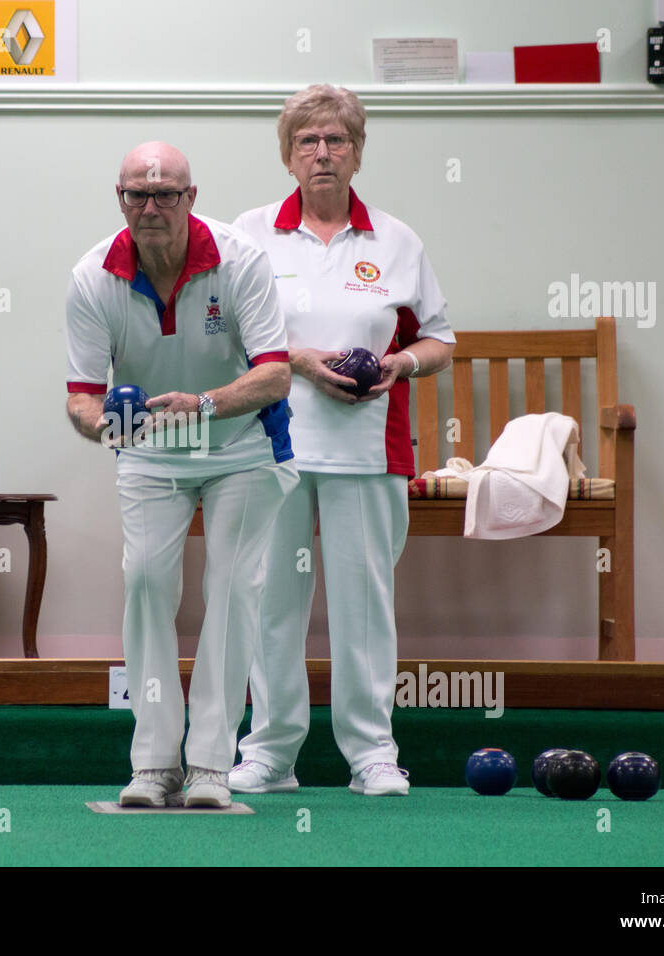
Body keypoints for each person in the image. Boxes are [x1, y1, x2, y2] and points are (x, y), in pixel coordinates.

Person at [230, 85, 456, 797]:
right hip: (276, 446)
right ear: (288, 154)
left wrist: (400, 363)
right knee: (271, 604)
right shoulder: (250, 233)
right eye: (308, 141)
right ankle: (270, 752)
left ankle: (372, 756)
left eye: (336, 140)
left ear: (358, 151)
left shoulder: (396, 239)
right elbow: (230, 332)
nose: (322, 153)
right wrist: (300, 362)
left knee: (364, 606)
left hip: (368, 449)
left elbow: (440, 338)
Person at [65, 142, 299, 808]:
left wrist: (202, 405)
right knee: (144, 583)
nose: (151, 206)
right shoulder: (91, 277)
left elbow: (276, 372)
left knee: (231, 590)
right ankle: (153, 764)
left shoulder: (241, 260)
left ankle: (210, 768)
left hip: (241, 445)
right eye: (137, 193)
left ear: (191, 199)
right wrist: (104, 423)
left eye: (166, 193)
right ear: (120, 199)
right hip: (149, 453)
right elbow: (81, 396)